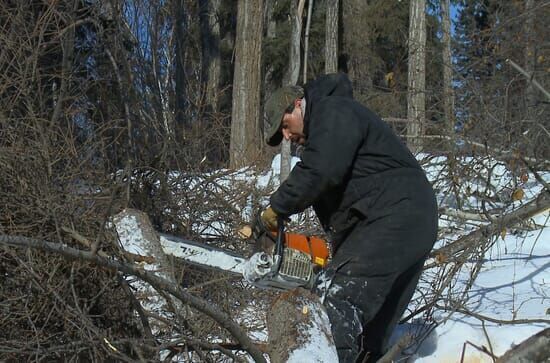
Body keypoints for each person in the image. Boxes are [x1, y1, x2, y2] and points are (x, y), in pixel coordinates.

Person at [260, 73, 438, 362]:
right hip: (410, 219)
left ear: (297, 104)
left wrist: (276, 208)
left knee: (336, 299)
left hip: (396, 213)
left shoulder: (332, 111)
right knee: (370, 334)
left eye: (284, 125)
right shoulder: (328, 133)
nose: (287, 136)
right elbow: (344, 212)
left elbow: (320, 171)